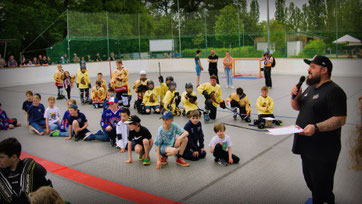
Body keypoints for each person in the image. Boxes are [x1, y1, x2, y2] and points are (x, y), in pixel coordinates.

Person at [290, 55, 347, 204]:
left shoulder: (334, 91)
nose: (308, 69)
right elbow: (298, 107)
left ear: (324, 70)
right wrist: (295, 97)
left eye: (313, 67)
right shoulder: (310, 88)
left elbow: (340, 119)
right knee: (312, 184)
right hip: (306, 147)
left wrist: (316, 127)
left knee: (321, 188)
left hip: (323, 150)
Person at [0, 138, 52, 204]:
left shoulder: (33, 169)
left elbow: (49, 195)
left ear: (14, 157)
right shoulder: (1, 174)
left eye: (1, 157)